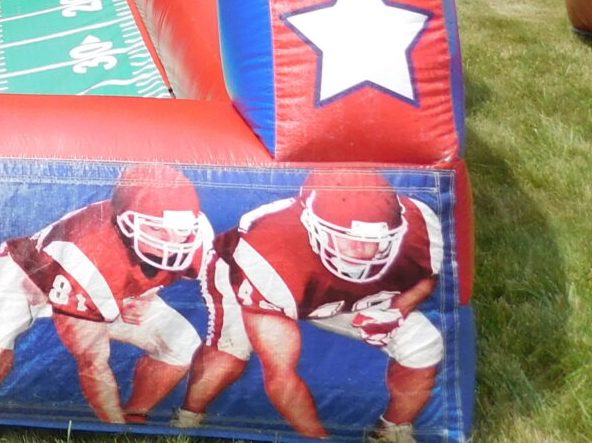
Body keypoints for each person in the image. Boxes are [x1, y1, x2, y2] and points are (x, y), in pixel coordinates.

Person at [180, 171, 445, 442]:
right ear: (311, 225)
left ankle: (391, 429)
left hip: (330, 288)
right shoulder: (264, 255)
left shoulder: (419, 223)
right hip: (266, 277)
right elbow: (280, 375)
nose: (363, 251)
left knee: (423, 343)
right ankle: (186, 418)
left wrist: (397, 311)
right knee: (231, 353)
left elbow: (426, 277)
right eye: (347, 237)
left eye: (376, 240)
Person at [0, 164, 212, 422]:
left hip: (105, 282)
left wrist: (148, 293)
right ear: (124, 222)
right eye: (156, 229)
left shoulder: (197, 236)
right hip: (25, 276)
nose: (171, 242)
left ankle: (135, 417)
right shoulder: (86, 248)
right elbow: (92, 362)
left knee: (182, 344)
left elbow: (171, 265)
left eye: (180, 229)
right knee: (0, 337)